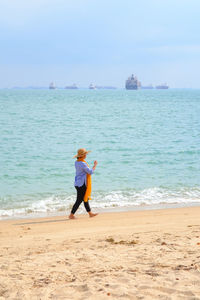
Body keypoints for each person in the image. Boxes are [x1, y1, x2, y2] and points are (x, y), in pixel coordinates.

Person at [69, 148, 98, 219]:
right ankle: (71, 215)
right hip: (82, 184)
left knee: (85, 199)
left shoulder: (77, 162)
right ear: (83, 155)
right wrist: (95, 165)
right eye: (85, 154)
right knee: (79, 200)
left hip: (77, 183)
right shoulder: (82, 163)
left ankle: (90, 213)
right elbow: (90, 172)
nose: (86, 155)